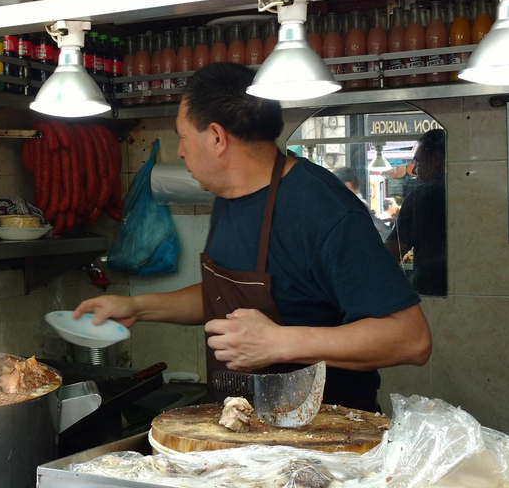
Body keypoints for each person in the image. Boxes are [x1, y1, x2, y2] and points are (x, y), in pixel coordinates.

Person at [74, 63, 432, 412]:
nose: (180, 151)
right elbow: (225, 298)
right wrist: (138, 307)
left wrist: (280, 342)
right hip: (246, 430)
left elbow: (409, 339)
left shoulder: (323, 210)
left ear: (216, 137)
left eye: (182, 136)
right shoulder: (230, 198)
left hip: (327, 439)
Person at [386, 129, 447, 296]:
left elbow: (393, 251)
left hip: (431, 291)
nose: (414, 170)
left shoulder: (421, 196)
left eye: (419, 162)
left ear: (436, 159)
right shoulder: (474, 192)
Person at [332, 166, 394, 240]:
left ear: (347, 186)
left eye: (334, 187)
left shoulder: (355, 206)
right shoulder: (357, 206)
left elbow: (382, 233)